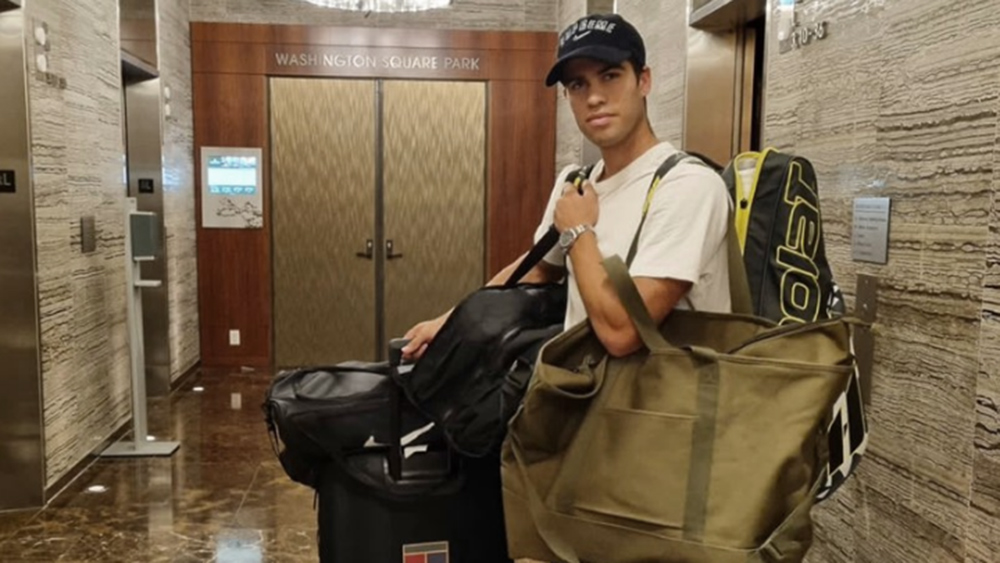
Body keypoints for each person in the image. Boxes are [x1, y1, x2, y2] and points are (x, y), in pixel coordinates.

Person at [402, 12, 731, 365]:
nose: (594, 97)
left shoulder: (687, 187)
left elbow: (623, 332)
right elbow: (537, 270)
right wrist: (452, 322)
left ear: (644, 80)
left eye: (610, 76)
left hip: (659, 397)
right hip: (579, 389)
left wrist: (577, 230)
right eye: (578, 85)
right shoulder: (576, 182)